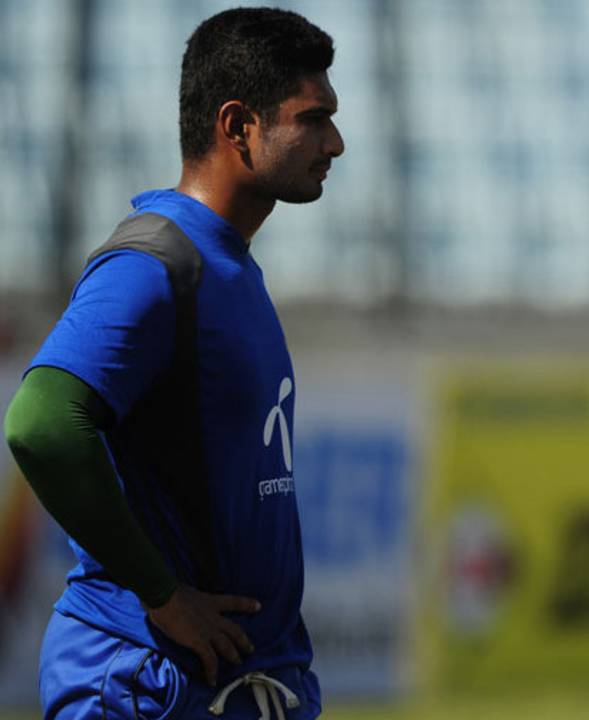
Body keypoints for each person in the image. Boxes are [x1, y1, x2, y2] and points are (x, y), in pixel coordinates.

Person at [4, 7, 343, 718]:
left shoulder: (229, 267)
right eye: (312, 119)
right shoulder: (155, 264)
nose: (335, 142)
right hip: (145, 686)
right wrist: (160, 594)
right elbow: (41, 423)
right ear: (237, 127)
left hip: (226, 684)